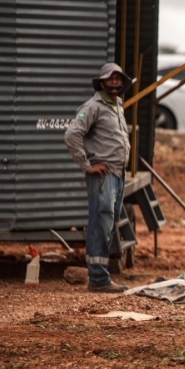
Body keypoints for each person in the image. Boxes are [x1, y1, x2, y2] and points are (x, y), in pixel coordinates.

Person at [64, 63, 133, 293]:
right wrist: (87, 165)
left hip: (117, 173)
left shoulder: (117, 105)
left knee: (108, 224)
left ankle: (101, 276)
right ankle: (98, 279)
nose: (115, 82)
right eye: (110, 79)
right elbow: (72, 134)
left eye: (118, 79)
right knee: (100, 224)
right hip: (104, 175)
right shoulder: (93, 106)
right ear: (102, 83)